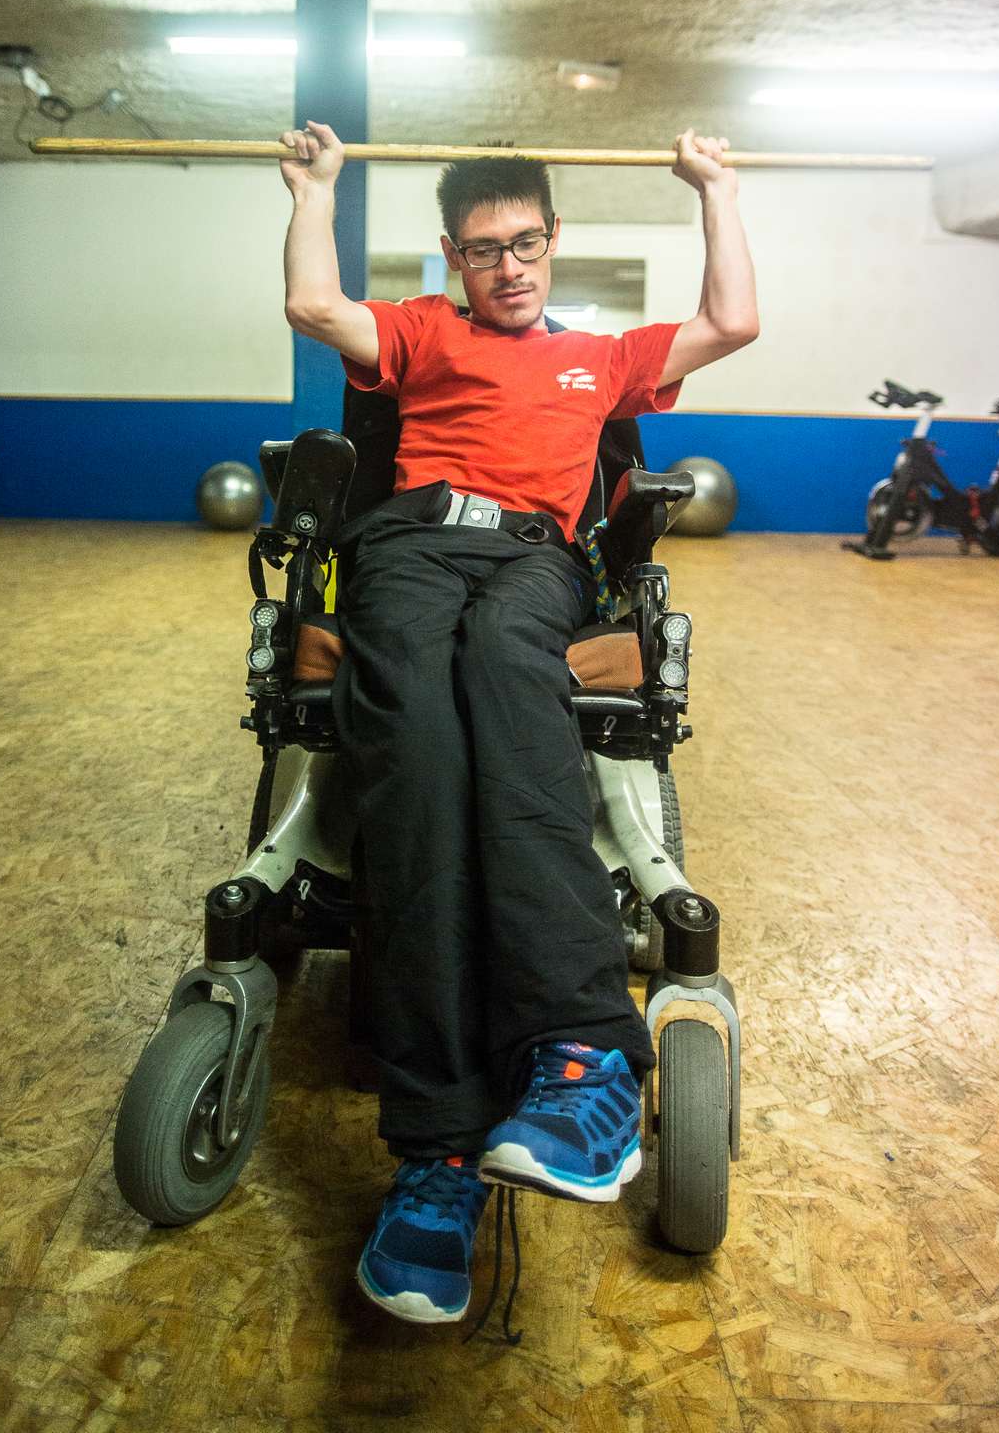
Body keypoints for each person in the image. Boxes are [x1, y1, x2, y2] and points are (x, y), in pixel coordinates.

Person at [278, 122, 758, 1329]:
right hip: (406, 547)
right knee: (418, 766)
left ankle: (582, 1062)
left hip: (535, 561)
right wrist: (315, 189)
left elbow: (732, 322)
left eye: (525, 244)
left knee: (506, 672)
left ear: (552, 242)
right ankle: (435, 1154)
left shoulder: (601, 358)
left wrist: (715, 190)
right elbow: (312, 306)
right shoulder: (418, 333)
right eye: (483, 249)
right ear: (453, 256)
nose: (508, 267)